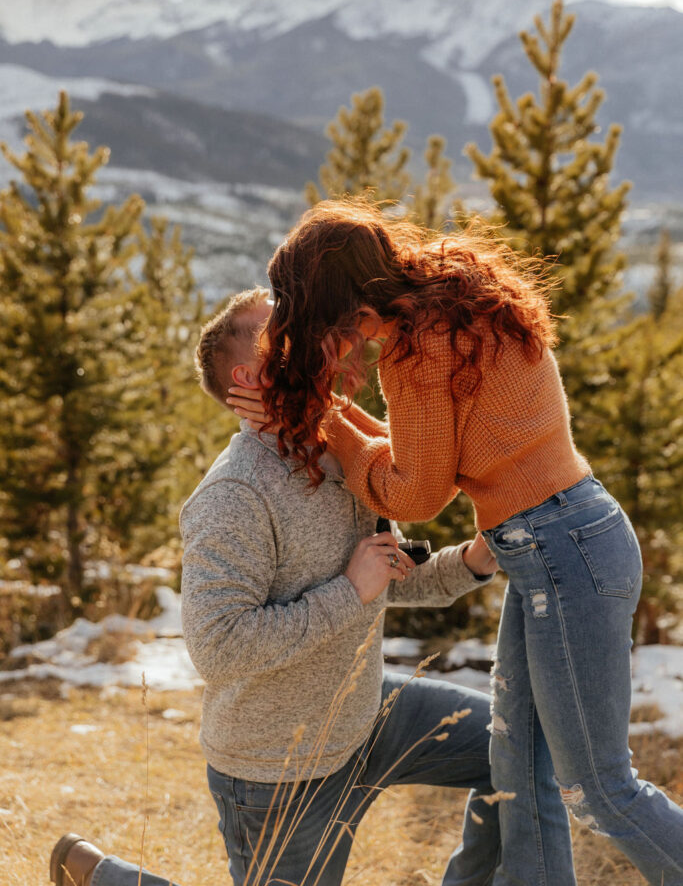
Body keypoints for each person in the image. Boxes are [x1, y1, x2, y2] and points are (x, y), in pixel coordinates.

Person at [229, 202, 683, 886]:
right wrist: (335, 415)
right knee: (517, 766)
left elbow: (414, 492)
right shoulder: (451, 298)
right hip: (562, 542)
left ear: (339, 303)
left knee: (597, 787)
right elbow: (422, 451)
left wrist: (327, 419)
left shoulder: (415, 350)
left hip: (561, 551)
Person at [50, 286, 500, 886]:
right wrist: (348, 590)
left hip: (365, 713)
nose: (309, 336)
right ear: (251, 374)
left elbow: (381, 573)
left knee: (519, 749)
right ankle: (101, 875)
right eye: (280, 332)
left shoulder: (336, 450)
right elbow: (219, 647)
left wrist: (470, 561)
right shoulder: (234, 494)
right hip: (278, 770)